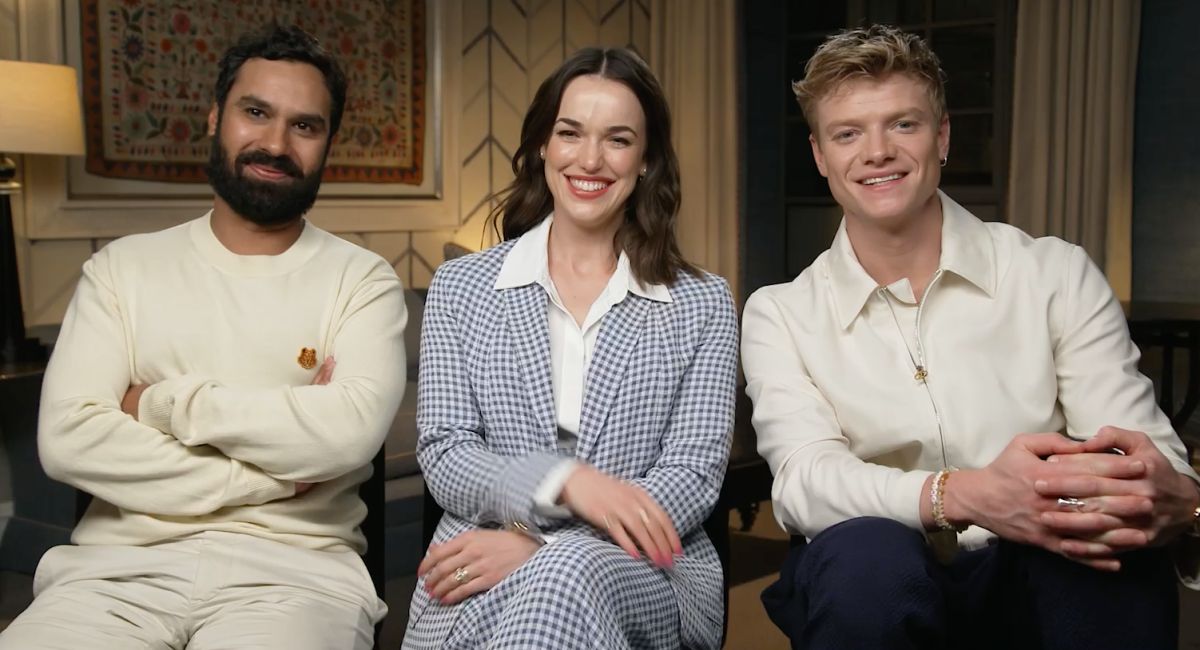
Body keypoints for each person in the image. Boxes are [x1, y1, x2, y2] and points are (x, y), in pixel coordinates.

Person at [742, 24, 1200, 650]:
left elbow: (1143, 455)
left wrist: (1157, 493)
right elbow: (803, 483)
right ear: (821, 155)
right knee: (865, 556)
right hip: (874, 576)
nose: (876, 152)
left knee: (1098, 558)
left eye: (903, 124)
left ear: (943, 136)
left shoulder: (1053, 273)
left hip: (1041, 556)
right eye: (848, 133)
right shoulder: (780, 312)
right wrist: (960, 495)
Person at [0, 24, 407, 650]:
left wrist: (157, 404)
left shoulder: (362, 281)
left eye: (304, 125)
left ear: (328, 142)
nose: (275, 142)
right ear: (216, 117)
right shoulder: (121, 270)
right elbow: (68, 440)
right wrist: (273, 479)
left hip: (296, 582)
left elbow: (346, 433)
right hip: (111, 580)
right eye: (255, 112)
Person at [402, 47, 738, 649]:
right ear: (542, 146)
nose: (590, 159)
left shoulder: (703, 303)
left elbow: (690, 476)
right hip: (475, 566)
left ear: (646, 161)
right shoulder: (461, 289)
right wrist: (566, 480)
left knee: (563, 571)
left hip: (648, 575)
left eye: (617, 139)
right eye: (570, 133)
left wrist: (543, 542)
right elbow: (448, 455)